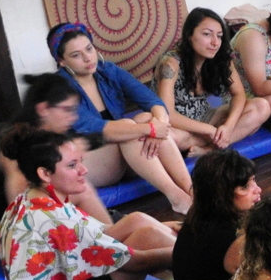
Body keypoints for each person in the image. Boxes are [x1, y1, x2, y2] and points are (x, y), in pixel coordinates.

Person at [0, 132, 176, 280]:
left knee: (136, 220)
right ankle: (211, 272)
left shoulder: (31, 199)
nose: (84, 170)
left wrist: (169, 227)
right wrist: (186, 249)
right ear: (45, 173)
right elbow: (139, 261)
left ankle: (203, 253)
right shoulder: (54, 219)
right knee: (149, 238)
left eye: (80, 162)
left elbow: (100, 233)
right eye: (72, 166)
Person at [50, 22, 194, 214]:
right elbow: (97, 128)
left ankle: (191, 191)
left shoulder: (107, 70)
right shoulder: (59, 88)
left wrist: (156, 126)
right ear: (62, 61)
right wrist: (150, 129)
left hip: (127, 154)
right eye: (76, 55)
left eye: (89, 49)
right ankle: (175, 196)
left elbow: (153, 102)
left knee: (146, 117)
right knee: (130, 126)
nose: (87, 58)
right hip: (87, 163)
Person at [0, 75, 107, 239]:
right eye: (67, 109)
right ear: (43, 109)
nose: (73, 117)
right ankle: (114, 242)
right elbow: (23, 207)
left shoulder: (49, 137)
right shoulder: (15, 145)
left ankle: (113, 240)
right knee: (82, 190)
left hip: (23, 228)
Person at [155, 8, 271, 153]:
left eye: (219, 36)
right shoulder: (170, 64)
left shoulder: (221, 57)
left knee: (262, 106)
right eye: (207, 34)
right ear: (189, 35)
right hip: (181, 127)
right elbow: (168, 114)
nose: (215, 42)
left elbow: (238, 94)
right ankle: (211, 139)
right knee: (167, 137)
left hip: (208, 117)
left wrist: (228, 126)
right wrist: (209, 130)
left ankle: (209, 149)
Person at [171, 149, 260, 280]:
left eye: (254, 180)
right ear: (222, 193)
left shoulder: (197, 218)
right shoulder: (230, 236)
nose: (258, 189)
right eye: (245, 187)